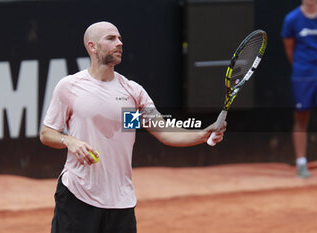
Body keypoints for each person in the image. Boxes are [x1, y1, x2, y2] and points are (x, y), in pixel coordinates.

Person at [40, 21, 226, 233]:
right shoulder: (70, 87)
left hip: (121, 202)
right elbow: (47, 134)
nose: (119, 43)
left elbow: (164, 132)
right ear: (92, 47)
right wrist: (70, 141)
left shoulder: (132, 93)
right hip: (78, 196)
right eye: (111, 38)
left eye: (120, 38)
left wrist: (202, 135)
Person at [281, 0, 317, 178]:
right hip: (302, 75)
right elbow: (289, 48)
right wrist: (301, 67)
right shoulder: (292, 19)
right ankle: (301, 163)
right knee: (302, 118)